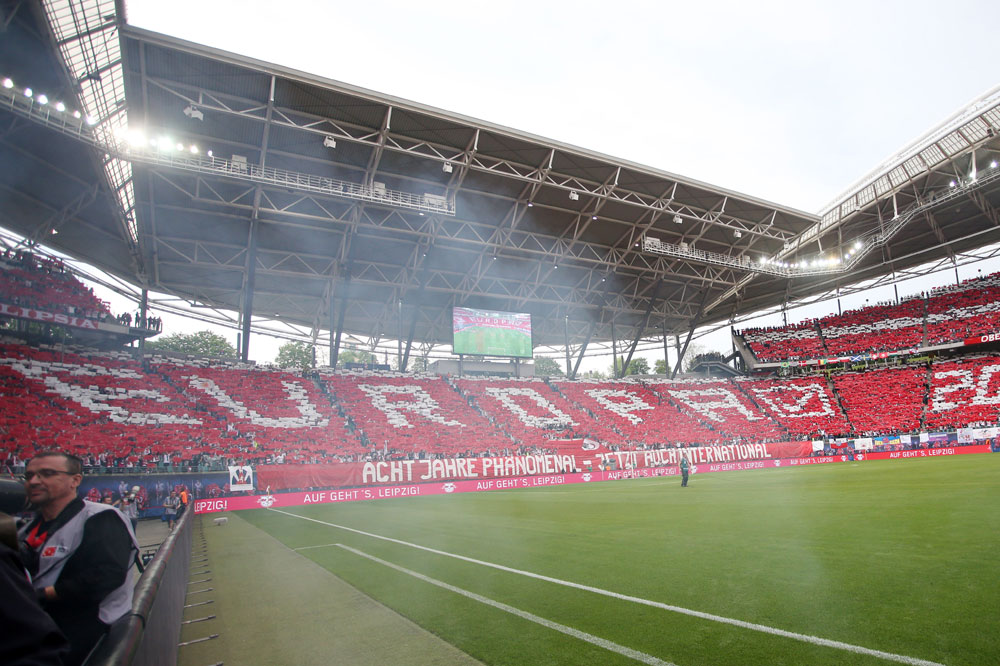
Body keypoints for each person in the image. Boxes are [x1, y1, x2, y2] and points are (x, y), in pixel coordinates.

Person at [18, 451, 139, 666]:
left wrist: (40, 595)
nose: (35, 481)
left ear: (75, 480)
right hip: (37, 633)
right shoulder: (26, 529)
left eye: (47, 474)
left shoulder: (100, 517)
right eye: (29, 476)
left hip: (88, 636)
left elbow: (108, 575)